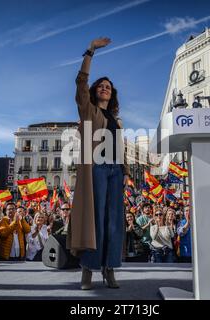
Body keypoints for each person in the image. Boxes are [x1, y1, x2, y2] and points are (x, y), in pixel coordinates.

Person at [68, 37, 130, 290]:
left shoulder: (116, 120)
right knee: (95, 220)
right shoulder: (88, 110)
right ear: (95, 91)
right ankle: (88, 271)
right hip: (97, 169)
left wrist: (125, 171)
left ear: (112, 93)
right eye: (101, 86)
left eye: (109, 86)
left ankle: (110, 268)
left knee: (114, 222)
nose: (105, 88)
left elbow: (119, 147)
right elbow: (80, 81)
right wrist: (90, 51)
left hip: (115, 171)